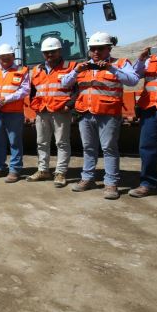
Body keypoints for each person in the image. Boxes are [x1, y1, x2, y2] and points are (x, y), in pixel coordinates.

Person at [61, 31, 139, 200]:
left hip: (108, 114)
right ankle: (87, 179)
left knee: (109, 149)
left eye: (100, 49)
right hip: (86, 113)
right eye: (93, 49)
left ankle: (111, 183)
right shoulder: (83, 66)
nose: (96, 52)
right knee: (88, 148)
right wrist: (75, 72)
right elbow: (64, 82)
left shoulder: (120, 63)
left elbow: (133, 80)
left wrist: (111, 68)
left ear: (108, 49)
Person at [27, 38, 77, 187]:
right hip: (42, 111)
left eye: (53, 51)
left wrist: (69, 105)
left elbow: (78, 90)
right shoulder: (37, 70)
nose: (49, 54)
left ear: (59, 51)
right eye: (46, 52)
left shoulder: (70, 67)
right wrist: (35, 106)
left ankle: (60, 173)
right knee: (41, 142)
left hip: (61, 111)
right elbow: (33, 92)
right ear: (42, 53)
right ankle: (43, 170)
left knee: (62, 142)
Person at [128, 26, 157, 197]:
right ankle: (147, 183)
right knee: (147, 147)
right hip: (150, 108)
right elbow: (135, 76)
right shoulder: (153, 59)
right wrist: (140, 59)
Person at [0, 44, 29, 183]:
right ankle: (0, 167)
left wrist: (5, 100)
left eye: (8, 57)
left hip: (14, 112)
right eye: (2, 58)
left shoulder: (22, 71)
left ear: (13, 57)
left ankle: (15, 170)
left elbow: (25, 90)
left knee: (14, 142)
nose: (5, 60)